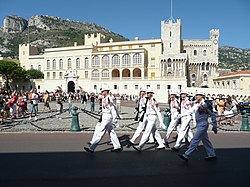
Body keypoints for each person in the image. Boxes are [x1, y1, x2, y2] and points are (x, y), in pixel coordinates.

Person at [178, 89, 217, 161]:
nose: (196, 96)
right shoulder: (196, 104)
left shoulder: (206, 104)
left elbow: (213, 115)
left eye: (198, 95)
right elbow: (190, 111)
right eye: (196, 95)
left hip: (203, 124)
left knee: (195, 139)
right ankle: (212, 154)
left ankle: (186, 154)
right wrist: (180, 115)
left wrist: (214, 126)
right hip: (199, 124)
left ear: (202, 96)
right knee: (205, 140)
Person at [84, 84, 122, 153]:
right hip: (105, 115)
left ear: (106, 91)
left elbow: (112, 108)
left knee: (101, 132)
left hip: (107, 117)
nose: (101, 92)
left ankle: (92, 148)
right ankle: (117, 146)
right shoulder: (104, 98)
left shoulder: (108, 98)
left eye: (102, 91)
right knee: (111, 132)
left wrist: (115, 119)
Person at [132, 87, 165, 152]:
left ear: (152, 94)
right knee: (155, 132)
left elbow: (158, 111)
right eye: (148, 93)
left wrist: (161, 122)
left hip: (152, 117)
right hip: (148, 116)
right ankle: (161, 144)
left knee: (147, 131)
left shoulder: (154, 101)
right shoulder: (146, 100)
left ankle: (140, 146)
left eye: (150, 93)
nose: (149, 94)